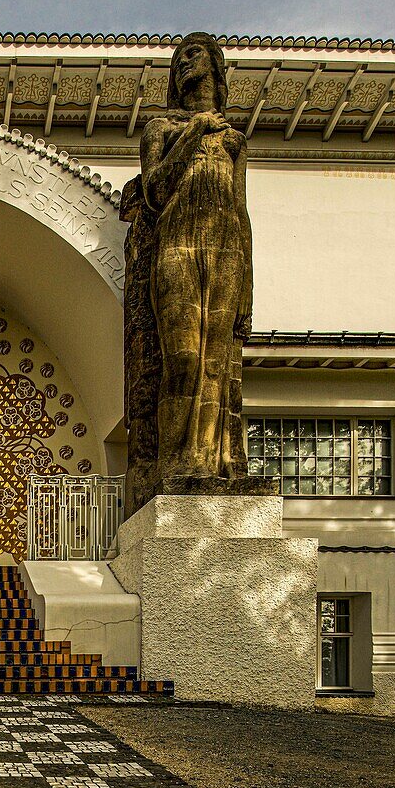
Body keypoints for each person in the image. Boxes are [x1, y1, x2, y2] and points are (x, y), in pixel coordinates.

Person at [140, 32, 252, 481]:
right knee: (184, 357)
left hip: (225, 248)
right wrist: (191, 134)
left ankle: (215, 460)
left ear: (215, 65)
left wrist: (249, 288)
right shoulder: (163, 129)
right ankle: (177, 463)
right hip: (177, 244)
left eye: (194, 53)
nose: (186, 63)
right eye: (179, 58)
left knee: (218, 362)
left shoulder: (235, 141)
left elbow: (241, 214)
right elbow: (154, 191)